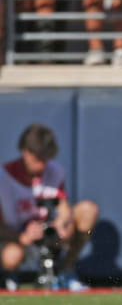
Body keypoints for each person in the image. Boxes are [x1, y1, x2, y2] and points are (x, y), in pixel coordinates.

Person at [0, 124, 98, 291]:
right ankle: (10, 276)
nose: (42, 165)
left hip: (49, 237)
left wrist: (61, 223)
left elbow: (63, 207)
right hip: (18, 240)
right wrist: (21, 236)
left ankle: (66, 269)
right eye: (38, 159)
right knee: (11, 255)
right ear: (25, 151)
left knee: (88, 210)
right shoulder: (4, 178)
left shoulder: (54, 171)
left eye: (46, 159)